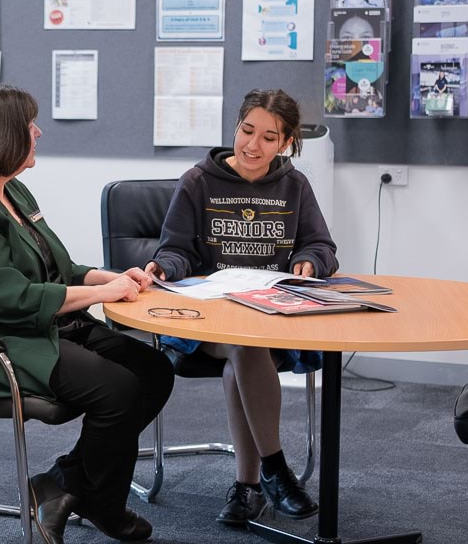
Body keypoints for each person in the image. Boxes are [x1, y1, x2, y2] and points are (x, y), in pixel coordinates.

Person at [0, 84, 175, 544]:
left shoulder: (10, 189)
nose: (39, 133)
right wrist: (102, 293)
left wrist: (108, 278)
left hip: (27, 325)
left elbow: (59, 267)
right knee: (118, 390)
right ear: (1, 136)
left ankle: (64, 482)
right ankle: (102, 504)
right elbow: (6, 299)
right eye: (29, 126)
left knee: (153, 370)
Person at [144, 89, 338, 529]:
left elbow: (321, 245)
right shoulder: (198, 181)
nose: (253, 145)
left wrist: (311, 260)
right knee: (241, 346)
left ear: (286, 142)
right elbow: (176, 249)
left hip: (271, 318)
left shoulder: (295, 186)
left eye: (269, 138)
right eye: (247, 131)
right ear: (235, 127)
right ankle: (276, 470)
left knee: (244, 356)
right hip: (208, 322)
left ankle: (247, 487)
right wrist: (164, 266)